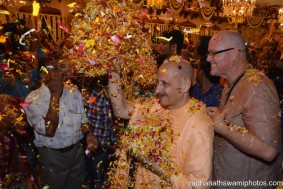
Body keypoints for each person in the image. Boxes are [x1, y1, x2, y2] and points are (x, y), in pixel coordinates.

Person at [108, 56, 214, 188]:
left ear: (185, 85)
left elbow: (198, 186)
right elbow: (121, 110)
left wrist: (154, 164)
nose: (157, 90)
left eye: (165, 84)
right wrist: (114, 74)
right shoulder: (156, 106)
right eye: (157, 82)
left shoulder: (199, 127)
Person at [206, 30, 282, 188]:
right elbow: (237, 121)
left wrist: (224, 129)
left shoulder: (257, 86)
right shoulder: (231, 82)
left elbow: (269, 150)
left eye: (213, 53)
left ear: (234, 54)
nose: (208, 59)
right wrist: (219, 116)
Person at [23, 54, 98, 189]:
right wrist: (55, 95)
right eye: (54, 68)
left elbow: (83, 120)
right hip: (52, 157)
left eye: (61, 67)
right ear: (42, 75)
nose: (60, 72)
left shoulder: (73, 93)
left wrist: (88, 134)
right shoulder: (32, 99)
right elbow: (49, 130)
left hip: (76, 152)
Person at [85, 76, 118, 189]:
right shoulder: (95, 91)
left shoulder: (117, 90)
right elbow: (88, 118)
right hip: (97, 144)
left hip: (113, 144)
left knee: (112, 179)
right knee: (97, 181)